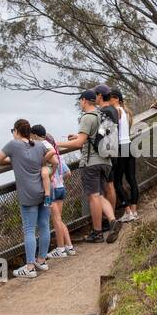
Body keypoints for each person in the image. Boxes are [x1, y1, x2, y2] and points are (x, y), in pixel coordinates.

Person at [54, 90, 122, 244]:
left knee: (93, 196)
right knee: (99, 195)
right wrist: (78, 137)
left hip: (91, 162)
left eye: (80, 101)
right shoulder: (101, 115)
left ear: (84, 100)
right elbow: (92, 137)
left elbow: (79, 143)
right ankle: (112, 220)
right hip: (106, 161)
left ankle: (97, 233)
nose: (80, 103)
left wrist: (56, 144)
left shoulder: (87, 117)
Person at [0, 118, 57, 279]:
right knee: (43, 226)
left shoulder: (13, 145)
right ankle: (41, 260)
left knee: (29, 229)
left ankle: (29, 267)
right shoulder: (39, 145)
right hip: (45, 190)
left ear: (16, 130)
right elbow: (53, 158)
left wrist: (13, 160)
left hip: (28, 193)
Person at [32, 124, 76, 259]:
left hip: (53, 189)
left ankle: (61, 248)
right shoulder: (58, 154)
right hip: (61, 187)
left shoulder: (44, 150)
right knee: (59, 219)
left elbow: (53, 164)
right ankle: (69, 246)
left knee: (56, 220)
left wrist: (51, 176)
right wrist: (59, 178)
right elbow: (68, 173)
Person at [109, 88, 139, 222]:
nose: (108, 100)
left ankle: (127, 211)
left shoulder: (116, 111)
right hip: (129, 144)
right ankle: (134, 210)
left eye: (109, 98)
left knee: (117, 182)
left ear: (116, 98)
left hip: (121, 147)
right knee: (132, 179)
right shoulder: (126, 111)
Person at [94, 85, 121, 217]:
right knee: (109, 185)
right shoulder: (113, 109)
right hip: (113, 149)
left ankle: (110, 218)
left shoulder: (106, 111)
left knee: (108, 186)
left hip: (107, 151)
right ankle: (111, 216)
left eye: (95, 94)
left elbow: (103, 132)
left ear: (99, 95)